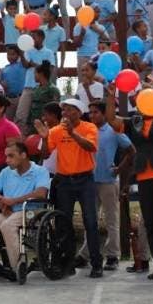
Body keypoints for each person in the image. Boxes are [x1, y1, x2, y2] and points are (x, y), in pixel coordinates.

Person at [106, 85, 153, 281]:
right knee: (150, 223)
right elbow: (111, 120)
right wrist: (110, 97)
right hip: (145, 177)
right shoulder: (135, 122)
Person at [35, 98, 102, 277]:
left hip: (85, 180)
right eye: (64, 110)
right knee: (63, 223)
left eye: (70, 110)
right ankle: (66, 263)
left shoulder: (89, 128)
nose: (65, 113)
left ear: (79, 113)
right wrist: (44, 138)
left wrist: (73, 134)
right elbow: (46, 154)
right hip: (64, 180)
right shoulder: (56, 131)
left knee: (90, 222)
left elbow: (91, 147)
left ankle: (96, 263)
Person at [0, 142, 50, 280]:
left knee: (7, 225)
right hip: (8, 212)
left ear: (23, 155)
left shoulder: (40, 171)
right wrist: (0, 199)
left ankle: (18, 267)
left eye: (11, 156)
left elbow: (41, 193)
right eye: (6, 156)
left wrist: (14, 201)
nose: (7, 160)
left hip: (30, 212)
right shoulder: (6, 172)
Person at [76, 102, 135, 271]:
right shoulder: (87, 129)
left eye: (96, 112)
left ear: (104, 114)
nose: (92, 116)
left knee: (111, 219)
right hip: (88, 180)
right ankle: (86, 253)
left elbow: (131, 150)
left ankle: (112, 255)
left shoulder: (113, 130)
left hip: (108, 180)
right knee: (89, 219)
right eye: (90, 112)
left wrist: (119, 168)